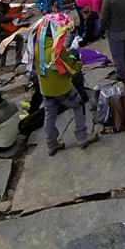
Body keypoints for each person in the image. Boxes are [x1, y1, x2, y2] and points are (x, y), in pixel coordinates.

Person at [32, 13, 97, 156]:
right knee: (78, 105)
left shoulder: (37, 46)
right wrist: (77, 61)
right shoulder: (57, 50)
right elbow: (70, 69)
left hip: (46, 88)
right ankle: (82, 136)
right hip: (62, 88)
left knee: (50, 115)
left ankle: (51, 143)